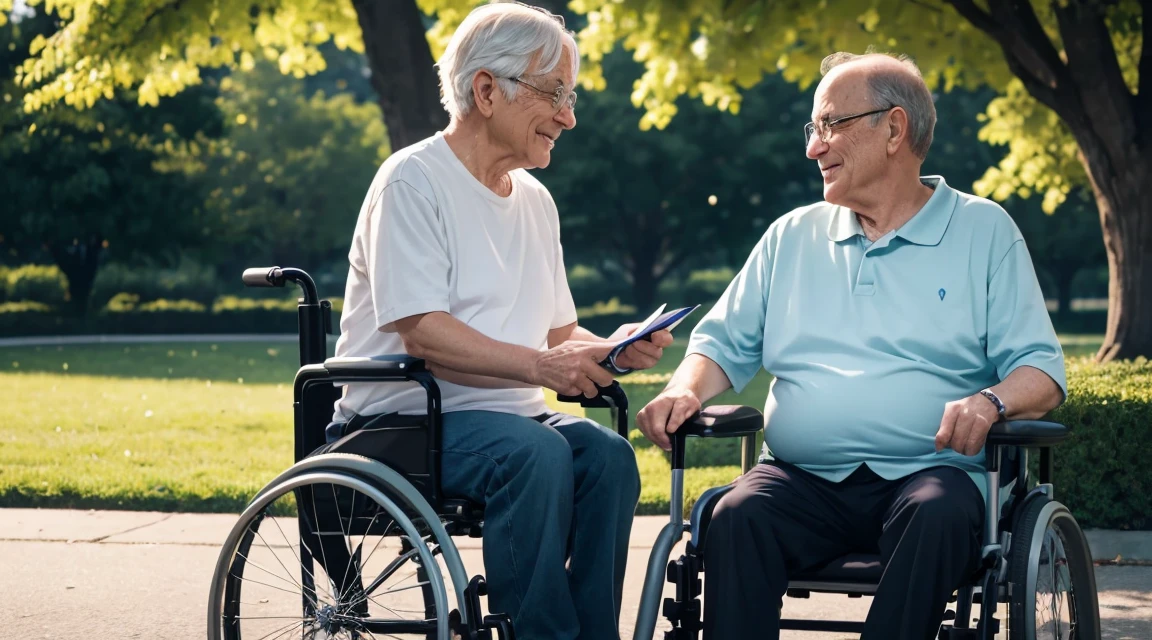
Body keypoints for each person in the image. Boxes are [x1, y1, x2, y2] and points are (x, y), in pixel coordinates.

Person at [636, 52, 1067, 640]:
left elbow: (1041, 369)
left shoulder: (982, 230)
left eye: (830, 125)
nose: (815, 147)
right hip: (800, 478)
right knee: (736, 515)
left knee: (938, 514)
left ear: (893, 129)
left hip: (931, 475)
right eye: (812, 128)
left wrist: (989, 401)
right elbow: (721, 344)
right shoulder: (791, 235)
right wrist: (683, 390)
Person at [329, 3, 672, 639]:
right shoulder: (412, 181)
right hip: (399, 425)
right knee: (536, 452)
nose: (568, 117)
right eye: (555, 95)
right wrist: (544, 368)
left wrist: (616, 349)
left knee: (610, 457)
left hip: (506, 423)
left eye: (571, 98)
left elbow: (557, 334)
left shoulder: (537, 202)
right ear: (487, 90)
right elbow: (422, 330)